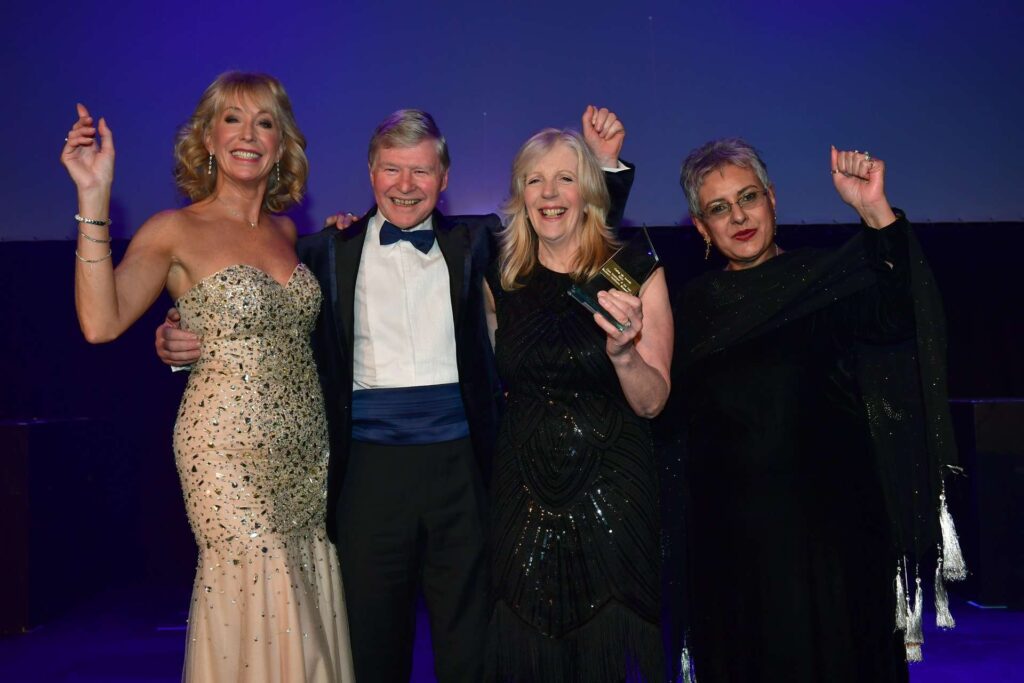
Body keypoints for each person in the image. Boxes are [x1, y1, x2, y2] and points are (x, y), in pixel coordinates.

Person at [156, 106, 635, 682]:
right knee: (371, 647)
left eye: (422, 171)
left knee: (471, 648)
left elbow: (568, 234)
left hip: (463, 471)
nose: (405, 186)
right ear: (370, 172)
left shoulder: (478, 243)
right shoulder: (325, 252)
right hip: (368, 477)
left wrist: (605, 168)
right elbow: (242, 296)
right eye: (391, 170)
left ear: (446, 178)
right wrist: (177, 333)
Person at [61, 72, 354, 681]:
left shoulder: (289, 233)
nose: (249, 134)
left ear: (281, 145)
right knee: (260, 593)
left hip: (304, 452)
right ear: (209, 139)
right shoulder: (175, 229)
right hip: (225, 449)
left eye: (265, 122)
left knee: (301, 604)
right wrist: (95, 196)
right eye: (233, 119)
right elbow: (100, 322)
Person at [674, 139, 963, 682]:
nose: (738, 215)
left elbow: (901, 319)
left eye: (749, 197)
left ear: (773, 200)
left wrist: (874, 210)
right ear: (700, 227)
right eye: (719, 208)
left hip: (836, 543)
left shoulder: (822, 283)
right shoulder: (693, 310)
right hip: (734, 553)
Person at [483, 126, 673, 682]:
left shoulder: (633, 273)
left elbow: (653, 403)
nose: (549, 192)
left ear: (589, 192)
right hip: (521, 499)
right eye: (534, 181)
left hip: (613, 502)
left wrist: (623, 353)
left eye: (565, 178)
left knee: (608, 656)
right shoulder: (502, 280)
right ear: (520, 196)